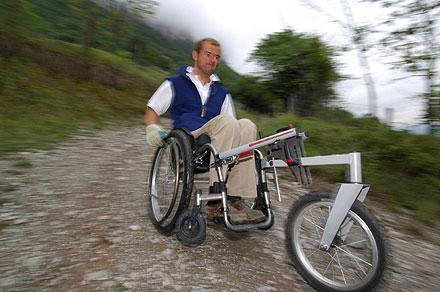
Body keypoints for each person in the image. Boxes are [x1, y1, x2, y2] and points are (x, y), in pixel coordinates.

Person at [144, 37, 265, 224]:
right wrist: (152, 127)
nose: (213, 60)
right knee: (227, 122)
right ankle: (215, 200)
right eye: (208, 54)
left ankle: (234, 197)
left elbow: (234, 126)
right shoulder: (175, 82)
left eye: (216, 57)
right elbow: (153, 110)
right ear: (195, 55)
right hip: (190, 138)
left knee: (247, 125)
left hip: (219, 138)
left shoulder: (222, 92)